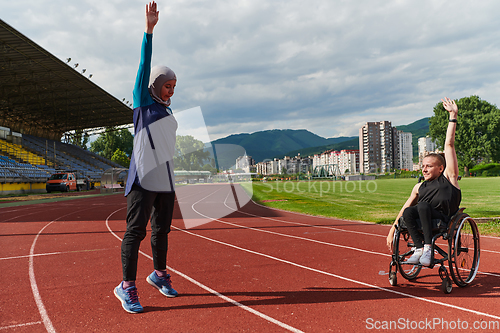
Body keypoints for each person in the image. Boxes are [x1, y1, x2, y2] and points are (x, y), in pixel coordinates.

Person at [114, 1, 178, 314]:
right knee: (135, 231)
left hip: (165, 176)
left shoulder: (166, 110)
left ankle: (159, 274)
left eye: (174, 87)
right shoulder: (143, 104)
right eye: (167, 86)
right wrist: (149, 31)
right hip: (143, 176)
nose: (171, 92)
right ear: (154, 85)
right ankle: (126, 286)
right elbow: (144, 64)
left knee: (162, 230)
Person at [386, 97, 461, 267]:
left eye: (429, 166)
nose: (424, 169)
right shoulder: (419, 186)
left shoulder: (449, 177)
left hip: (443, 218)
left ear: (441, 168)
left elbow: (449, 145)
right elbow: (404, 209)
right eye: (423, 166)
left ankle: (428, 248)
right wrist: (392, 230)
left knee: (422, 206)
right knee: (409, 212)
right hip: (422, 217)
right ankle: (419, 248)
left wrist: (453, 116)